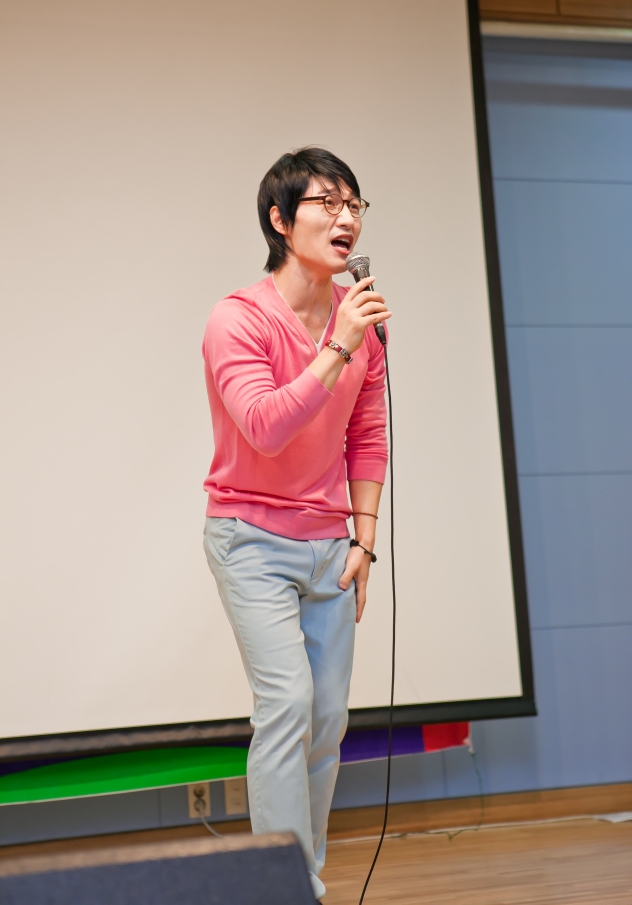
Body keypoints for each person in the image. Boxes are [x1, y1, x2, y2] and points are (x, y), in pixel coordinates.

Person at [202, 146, 391, 899]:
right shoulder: (239, 319)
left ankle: (300, 875)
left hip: (330, 545)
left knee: (327, 718)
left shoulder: (359, 322)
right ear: (281, 221)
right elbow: (266, 427)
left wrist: (365, 538)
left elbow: (367, 433)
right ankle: (279, 888)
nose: (346, 218)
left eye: (354, 205)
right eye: (327, 203)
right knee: (286, 705)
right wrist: (338, 343)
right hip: (250, 541)